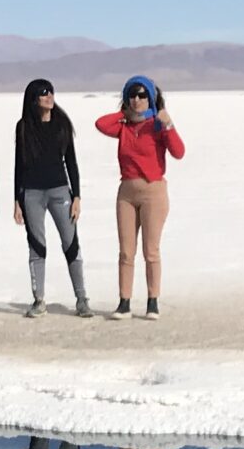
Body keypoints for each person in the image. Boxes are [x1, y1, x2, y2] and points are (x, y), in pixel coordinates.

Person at [94, 75, 185, 318]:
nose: (137, 99)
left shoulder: (157, 126)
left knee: (151, 250)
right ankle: (124, 302)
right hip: (126, 193)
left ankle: (152, 301)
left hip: (153, 193)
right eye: (132, 95)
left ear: (152, 98)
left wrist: (168, 124)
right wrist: (124, 112)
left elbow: (179, 152)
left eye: (142, 95)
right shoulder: (122, 127)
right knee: (126, 251)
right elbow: (101, 124)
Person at [12, 79, 92, 318]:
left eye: (51, 91)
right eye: (43, 93)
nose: (49, 96)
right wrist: (17, 199)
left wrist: (76, 195)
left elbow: (72, 162)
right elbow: (19, 165)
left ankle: (81, 299)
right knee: (37, 247)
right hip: (32, 193)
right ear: (33, 99)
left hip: (60, 192)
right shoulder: (24, 127)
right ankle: (39, 300)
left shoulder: (62, 124)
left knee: (71, 244)